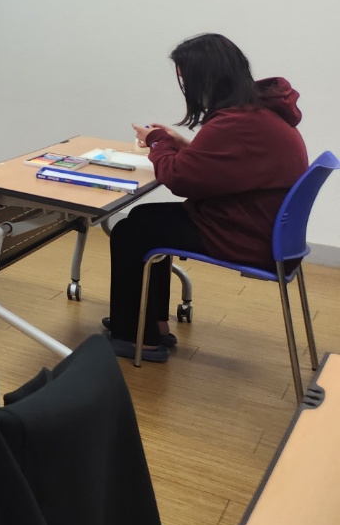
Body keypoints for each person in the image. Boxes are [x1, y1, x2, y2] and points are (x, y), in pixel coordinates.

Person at [106, 33, 308, 362]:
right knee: (143, 218)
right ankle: (153, 324)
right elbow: (226, 165)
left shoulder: (237, 122)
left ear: (206, 79)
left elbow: (180, 179)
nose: (187, 89)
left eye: (187, 80)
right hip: (264, 227)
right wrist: (180, 144)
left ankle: (136, 338)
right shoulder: (259, 111)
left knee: (130, 232)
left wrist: (158, 141)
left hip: (247, 236)